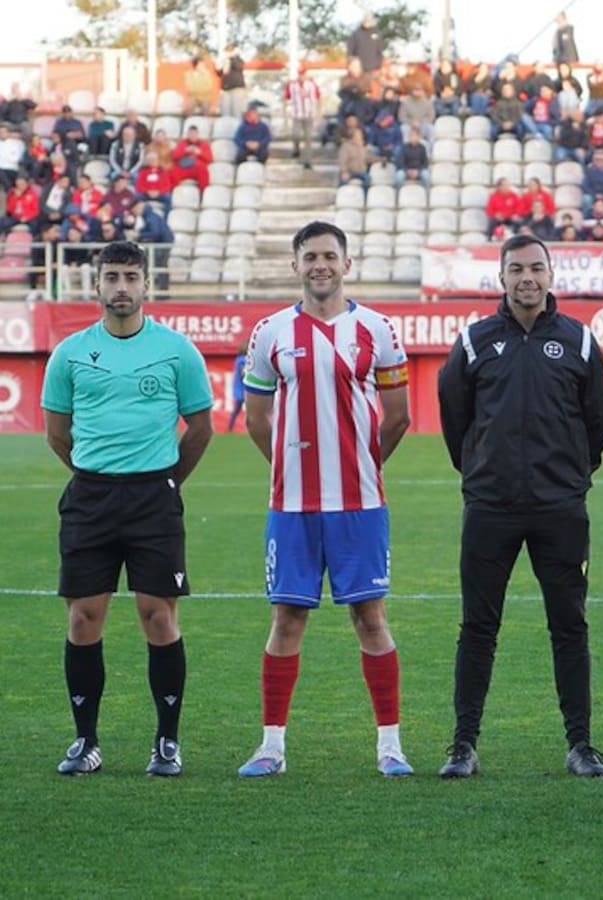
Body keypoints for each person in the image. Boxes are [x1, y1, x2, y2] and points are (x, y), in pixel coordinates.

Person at [236, 221, 413, 779]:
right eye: (310, 256)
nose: (320, 265)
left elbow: (400, 415)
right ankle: (271, 747)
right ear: (295, 265)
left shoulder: (378, 329)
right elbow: (258, 418)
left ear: (346, 264)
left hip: (359, 504)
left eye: (330, 256)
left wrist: (361, 464)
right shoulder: (268, 333)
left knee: (370, 617)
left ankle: (390, 746)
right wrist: (290, 464)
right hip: (292, 507)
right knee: (286, 619)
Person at [436, 234, 603, 779]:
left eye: (536, 268)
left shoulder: (580, 342)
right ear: (502, 278)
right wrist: (482, 474)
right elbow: (454, 419)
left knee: (570, 626)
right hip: (491, 508)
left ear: (552, 275)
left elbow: (597, 423)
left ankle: (580, 745)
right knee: (478, 628)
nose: (527, 278)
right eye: (517, 269)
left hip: (560, 509)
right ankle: (463, 746)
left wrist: (569, 479)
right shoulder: (474, 341)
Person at [40, 240, 214, 776]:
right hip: (90, 498)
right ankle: (86, 741)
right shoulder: (69, 353)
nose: (121, 287)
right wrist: (98, 476)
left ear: (146, 285)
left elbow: (201, 428)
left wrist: (164, 482)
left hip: (153, 501)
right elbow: (57, 433)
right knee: (83, 618)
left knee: (157, 616)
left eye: (130, 278)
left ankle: (166, 742)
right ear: (97, 285)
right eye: (111, 277)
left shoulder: (178, 350)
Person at [285, 66, 322, 169]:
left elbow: (318, 97)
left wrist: (318, 113)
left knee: (308, 138)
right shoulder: (292, 85)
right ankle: (296, 149)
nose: (302, 77)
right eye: (300, 74)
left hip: (309, 114)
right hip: (297, 114)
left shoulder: (312, 85)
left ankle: (308, 160)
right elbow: (287, 98)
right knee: (295, 134)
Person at [228, 341, 248, 432]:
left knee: (236, 410)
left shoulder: (238, 360)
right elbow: (243, 374)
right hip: (245, 389)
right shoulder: (243, 360)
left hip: (239, 389)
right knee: (250, 410)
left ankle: (230, 427)